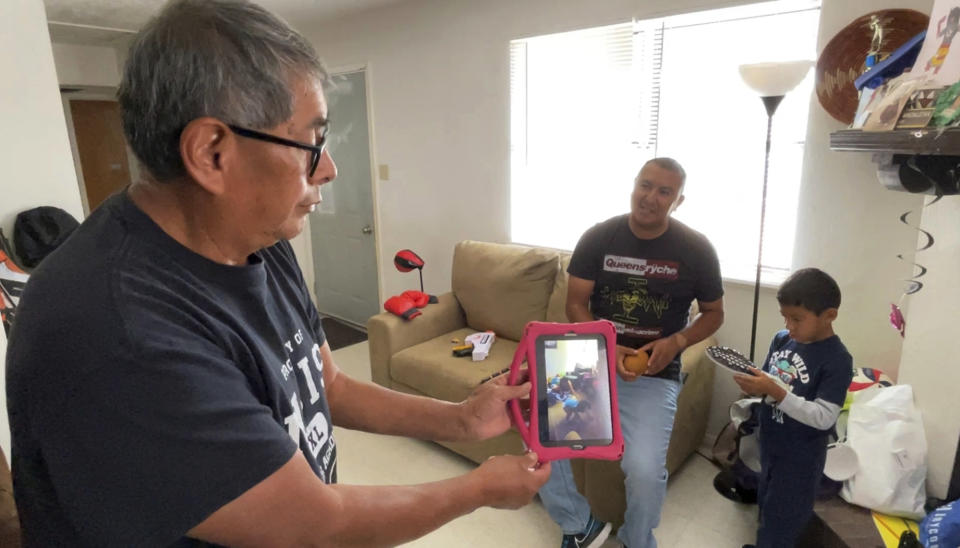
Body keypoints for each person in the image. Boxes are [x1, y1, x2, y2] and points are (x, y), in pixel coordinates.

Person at [4, 1, 550, 546]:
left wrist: (459, 420)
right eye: (311, 143)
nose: (330, 169)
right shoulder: (117, 332)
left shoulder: (259, 240)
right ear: (212, 152)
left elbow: (325, 384)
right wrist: (477, 490)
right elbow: (315, 525)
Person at [540, 158, 725, 548]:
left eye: (664, 191)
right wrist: (606, 344)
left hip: (654, 376)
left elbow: (714, 314)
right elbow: (575, 305)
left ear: (679, 200)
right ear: (634, 185)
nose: (651, 198)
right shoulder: (599, 237)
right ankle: (579, 526)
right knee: (542, 441)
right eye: (646, 185)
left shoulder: (696, 249)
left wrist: (676, 343)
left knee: (643, 470)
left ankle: (638, 540)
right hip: (590, 360)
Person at [733, 268, 853, 548]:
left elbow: (824, 417)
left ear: (829, 315)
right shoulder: (782, 339)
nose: (789, 325)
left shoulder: (837, 359)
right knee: (766, 506)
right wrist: (755, 386)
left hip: (800, 460)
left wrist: (774, 391)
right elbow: (767, 378)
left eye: (797, 319)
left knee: (783, 520)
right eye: (785, 317)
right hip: (772, 445)